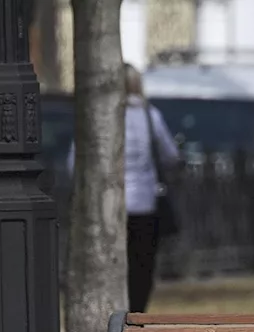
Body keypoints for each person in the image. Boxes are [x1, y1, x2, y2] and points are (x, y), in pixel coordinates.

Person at [67, 64, 181, 311]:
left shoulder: (99, 116)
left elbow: (74, 161)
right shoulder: (151, 116)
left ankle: (115, 314)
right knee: (142, 265)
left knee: (110, 262)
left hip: (108, 203)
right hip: (144, 203)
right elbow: (170, 154)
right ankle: (137, 314)